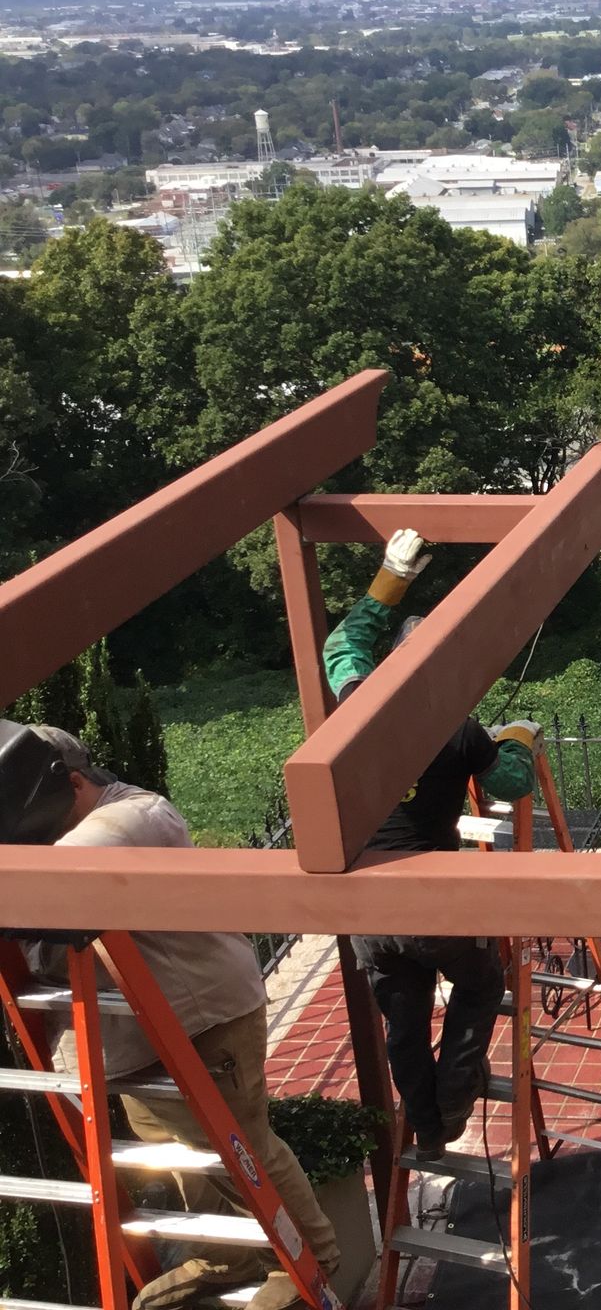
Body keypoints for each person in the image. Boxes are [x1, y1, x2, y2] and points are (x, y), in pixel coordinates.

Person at [0, 720, 341, 1310]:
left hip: (202, 1022)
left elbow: (56, 882)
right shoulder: (72, 824)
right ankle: (224, 1252)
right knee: (176, 1152)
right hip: (139, 1030)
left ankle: (306, 1257)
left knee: (239, 1148)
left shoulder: (131, 818)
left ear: (73, 784)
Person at [327, 527, 540, 1157]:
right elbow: (510, 782)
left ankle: (426, 1129)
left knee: (404, 1017)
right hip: (430, 902)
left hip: (367, 908)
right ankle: (451, 1102)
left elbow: (343, 645)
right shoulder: (458, 729)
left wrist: (391, 576)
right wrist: (520, 737)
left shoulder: (356, 704)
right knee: (480, 983)